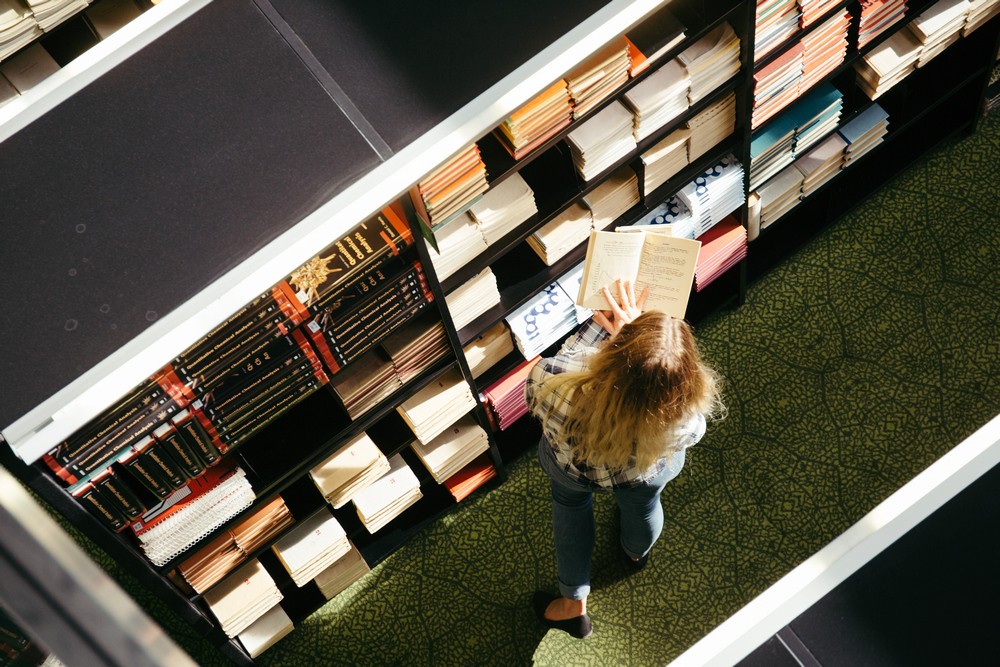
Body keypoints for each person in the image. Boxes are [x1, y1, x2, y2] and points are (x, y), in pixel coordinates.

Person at [525, 277, 724, 639]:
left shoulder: (553, 378)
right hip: (646, 472)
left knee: (569, 507)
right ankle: (634, 554)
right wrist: (636, 349)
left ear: (615, 352)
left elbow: (553, 376)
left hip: (574, 469)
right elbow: (694, 429)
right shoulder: (682, 414)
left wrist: (616, 340)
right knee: (644, 508)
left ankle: (573, 606)